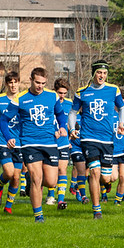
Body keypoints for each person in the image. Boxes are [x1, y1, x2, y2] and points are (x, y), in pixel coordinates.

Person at [0, 67, 68, 223]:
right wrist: (8, 137)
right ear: (30, 80)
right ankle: (38, 215)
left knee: (51, 182)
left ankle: (32, 179)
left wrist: (62, 126)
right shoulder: (20, 99)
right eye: (37, 82)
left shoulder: (52, 96)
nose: (40, 86)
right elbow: (3, 120)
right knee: (37, 179)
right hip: (30, 143)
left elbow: (60, 114)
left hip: (50, 142)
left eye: (43, 83)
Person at [68, 60, 124, 220]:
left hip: (108, 139)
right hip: (88, 138)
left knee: (108, 177)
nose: (102, 76)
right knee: (94, 171)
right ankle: (97, 210)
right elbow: (73, 112)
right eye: (99, 72)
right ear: (93, 73)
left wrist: (121, 123)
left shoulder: (113, 90)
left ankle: (99, 182)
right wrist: (72, 129)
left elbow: (122, 109)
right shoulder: (82, 92)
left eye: (105, 73)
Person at [0, 72, 23, 214]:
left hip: (20, 142)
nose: (13, 85)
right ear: (7, 84)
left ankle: (8, 207)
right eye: (10, 82)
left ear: (19, 83)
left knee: (16, 177)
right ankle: (0, 186)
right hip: (2, 141)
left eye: (15, 82)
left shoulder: (24, 98)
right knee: (9, 172)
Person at [45, 78, 73, 209]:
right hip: (50, 142)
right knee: (52, 172)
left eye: (64, 93)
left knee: (62, 170)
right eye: (60, 93)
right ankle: (50, 195)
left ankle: (61, 200)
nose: (62, 96)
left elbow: (70, 121)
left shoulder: (69, 104)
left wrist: (71, 134)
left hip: (64, 143)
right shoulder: (49, 101)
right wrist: (53, 131)